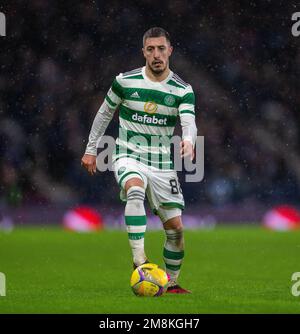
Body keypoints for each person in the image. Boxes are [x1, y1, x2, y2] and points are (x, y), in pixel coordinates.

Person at [81, 27, 197, 293]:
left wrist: (189, 140)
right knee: (134, 188)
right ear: (143, 52)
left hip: (162, 165)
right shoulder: (125, 81)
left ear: (170, 50)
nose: (156, 54)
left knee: (176, 231)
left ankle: (173, 284)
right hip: (127, 155)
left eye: (161, 48)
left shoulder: (182, 90)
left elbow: (188, 121)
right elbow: (103, 114)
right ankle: (139, 260)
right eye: (150, 49)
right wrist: (91, 149)